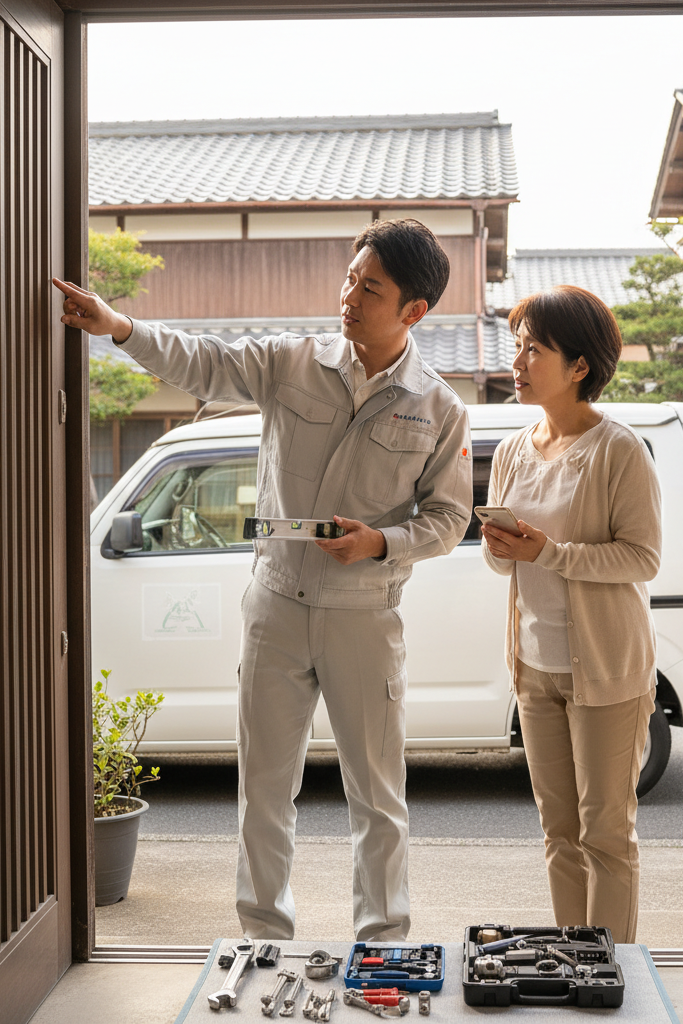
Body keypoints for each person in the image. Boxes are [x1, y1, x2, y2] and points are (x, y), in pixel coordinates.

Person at [54, 219, 473, 941]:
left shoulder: (439, 408)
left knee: (377, 795)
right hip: (275, 603)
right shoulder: (290, 360)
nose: (348, 296)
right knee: (264, 791)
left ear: (413, 311)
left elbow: (449, 518)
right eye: (350, 277)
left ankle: (381, 943)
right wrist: (118, 326)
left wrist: (382, 542)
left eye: (369, 288)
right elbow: (204, 362)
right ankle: (263, 941)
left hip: (364, 613)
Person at [480, 286, 661, 945]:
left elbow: (641, 558)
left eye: (535, 349)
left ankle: (612, 978)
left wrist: (550, 552)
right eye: (517, 347)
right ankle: (570, 964)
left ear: (579, 366)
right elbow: (508, 567)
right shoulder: (509, 451)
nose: (519, 361)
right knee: (558, 832)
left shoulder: (618, 450)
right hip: (535, 669)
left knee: (605, 833)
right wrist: (504, 551)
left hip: (608, 672)